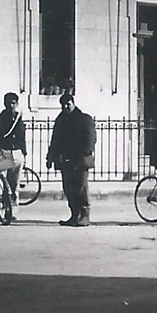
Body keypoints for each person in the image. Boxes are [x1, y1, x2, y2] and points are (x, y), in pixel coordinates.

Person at [45, 91, 96, 226]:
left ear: (73, 103)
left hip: (80, 160)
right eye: (63, 105)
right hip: (65, 160)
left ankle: (84, 216)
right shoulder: (61, 120)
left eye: (68, 104)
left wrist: (85, 151)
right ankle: (74, 215)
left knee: (81, 187)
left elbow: (90, 139)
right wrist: (50, 157)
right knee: (69, 189)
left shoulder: (85, 119)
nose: (66, 107)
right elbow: (55, 140)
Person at [0, 92, 27, 224]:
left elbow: (22, 139)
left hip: (17, 153)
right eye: (9, 103)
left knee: (14, 184)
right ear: (4, 104)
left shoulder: (19, 120)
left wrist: (24, 154)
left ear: (17, 104)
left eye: (13, 103)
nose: (11, 106)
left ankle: (13, 210)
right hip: (3, 152)